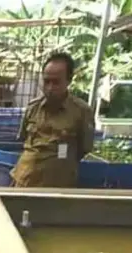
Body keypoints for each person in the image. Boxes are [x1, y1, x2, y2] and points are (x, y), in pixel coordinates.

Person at [11, 51, 95, 188]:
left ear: (69, 80)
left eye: (56, 82)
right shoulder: (33, 108)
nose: (50, 88)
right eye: (46, 81)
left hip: (58, 188)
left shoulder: (81, 112)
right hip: (24, 182)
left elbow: (84, 147)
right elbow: (23, 140)